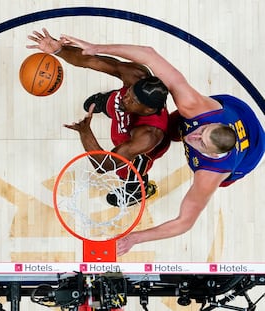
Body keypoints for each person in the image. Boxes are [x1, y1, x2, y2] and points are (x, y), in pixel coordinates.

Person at [53, 33, 265, 255]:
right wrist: (95, 46)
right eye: (201, 131)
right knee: (174, 124)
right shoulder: (196, 108)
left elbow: (184, 222)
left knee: (150, 146)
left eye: (200, 143)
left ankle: (137, 187)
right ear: (208, 123)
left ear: (209, 155)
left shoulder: (210, 173)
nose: (193, 137)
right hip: (238, 111)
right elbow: (149, 54)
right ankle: (108, 104)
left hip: (250, 152)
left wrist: (135, 238)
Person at [27, 28, 171, 207]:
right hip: (125, 113)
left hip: (136, 149)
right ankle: (103, 102)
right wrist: (59, 50)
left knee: (130, 169)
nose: (127, 97)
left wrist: (85, 132)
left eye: (133, 100)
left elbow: (104, 166)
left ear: (148, 110)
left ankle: (136, 190)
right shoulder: (137, 76)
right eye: (129, 92)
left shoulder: (148, 136)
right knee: (115, 101)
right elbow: (92, 60)